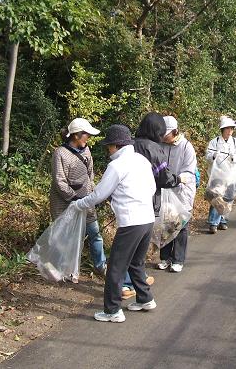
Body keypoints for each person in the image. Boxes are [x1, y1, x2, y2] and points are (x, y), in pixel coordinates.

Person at [73, 125, 156, 323]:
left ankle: (112, 311)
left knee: (116, 267)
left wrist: (78, 204)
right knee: (136, 262)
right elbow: (152, 187)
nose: (108, 150)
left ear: (117, 146)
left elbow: (99, 194)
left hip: (131, 222)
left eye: (109, 146)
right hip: (147, 219)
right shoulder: (141, 160)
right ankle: (145, 299)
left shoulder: (117, 166)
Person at [121, 112, 183, 299]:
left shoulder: (129, 145)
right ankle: (127, 284)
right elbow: (164, 178)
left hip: (125, 201)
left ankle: (134, 280)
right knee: (137, 248)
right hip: (146, 203)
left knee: (127, 245)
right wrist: (179, 179)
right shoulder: (155, 149)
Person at [50, 118, 106, 281]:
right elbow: (59, 180)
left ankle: (101, 265)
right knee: (66, 238)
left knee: (94, 233)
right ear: (75, 135)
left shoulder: (86, 150)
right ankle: (67, 270)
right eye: (86, 135)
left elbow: (90, 174)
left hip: (86, 202)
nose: (88, 138)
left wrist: (91, 194)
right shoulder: (60, 153)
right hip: (63, 203)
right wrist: (74, 198)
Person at [157, 116, 197, 273]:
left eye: (166, 134)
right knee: (165, 222)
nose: (163, 136)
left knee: (181, 224)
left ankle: (178, 259)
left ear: (175, 131)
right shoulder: (161, 144)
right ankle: (165, 257)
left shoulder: (186, 147)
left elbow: (188, 170)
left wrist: (176, 180)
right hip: (165, 190)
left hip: (181, 191)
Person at [205, 116, 236, 234]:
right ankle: (213, 223)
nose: (230, 131)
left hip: (231, 175)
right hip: (218, 175)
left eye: (231, 129)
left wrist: (234, 157)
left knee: (228, 198)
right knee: (216, 197)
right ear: (222, 129)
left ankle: (223, 220)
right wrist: (213, 156)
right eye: (227, 129)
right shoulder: (214, 142)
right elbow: (208, 156)